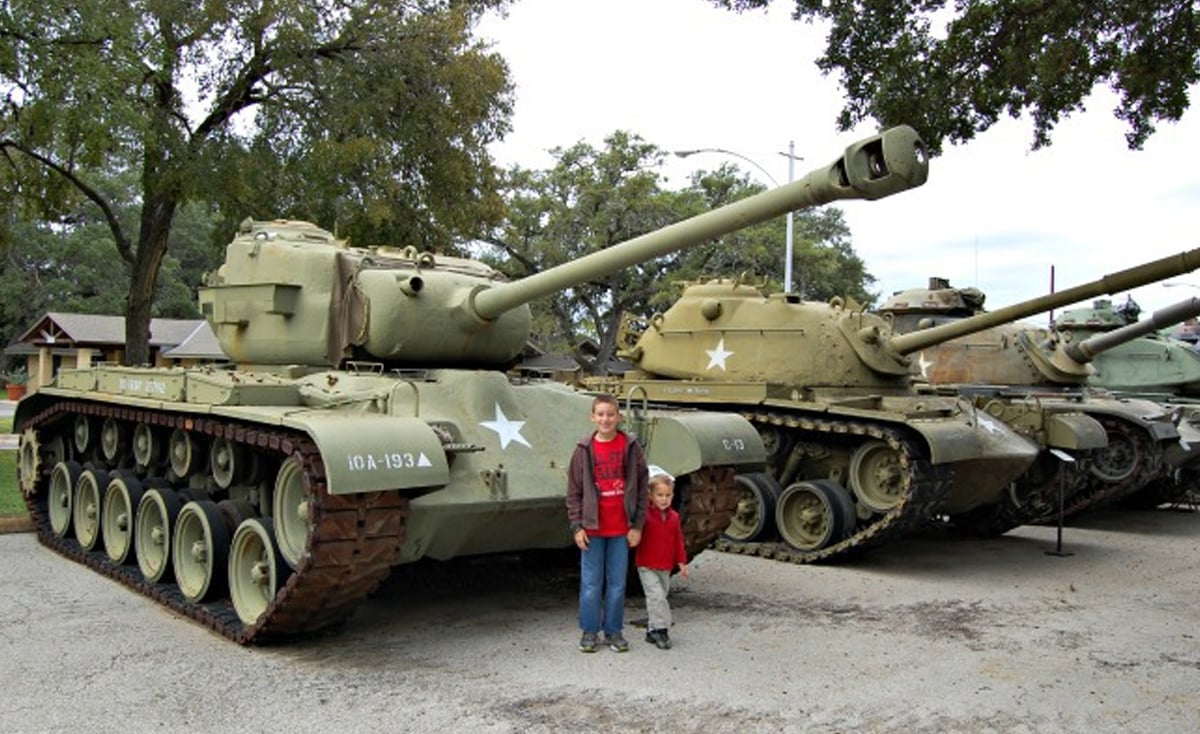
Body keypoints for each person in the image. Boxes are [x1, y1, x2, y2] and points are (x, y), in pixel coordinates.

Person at [566, 393, 648, 653]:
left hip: (621, 529)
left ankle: (613, 631)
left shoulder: (630, 447)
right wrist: (577, 526)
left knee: (617, 583)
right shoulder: (584, 450)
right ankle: (589, 631)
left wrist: (637, 526)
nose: (605, 419)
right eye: (600, 414)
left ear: (618, 417)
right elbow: (573, 491)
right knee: (590, 583)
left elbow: (643, 488)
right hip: (592, 528)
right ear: (593, 417)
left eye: (610, 414)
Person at [635, 466, 688, 650]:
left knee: (661, 596)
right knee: (656, 597)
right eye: (659, 495)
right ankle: (661, 630)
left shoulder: (674, 517)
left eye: (667, 495)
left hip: (665, 565)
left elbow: (678, 540)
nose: (664, 499)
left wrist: (681, 561)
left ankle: (651, 630)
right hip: (646, 564)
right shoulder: (645, 516)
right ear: (651, 496)